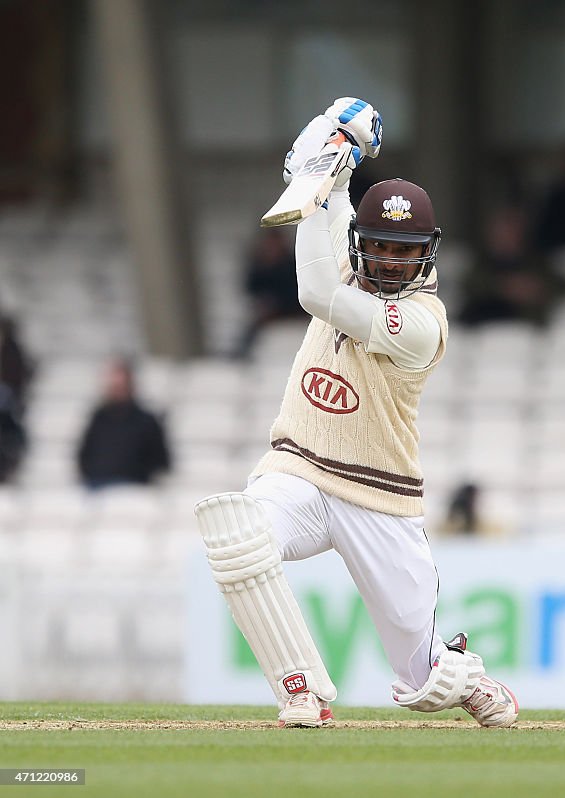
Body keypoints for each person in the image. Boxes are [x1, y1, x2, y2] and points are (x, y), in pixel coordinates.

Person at [193, 97, 518, 730]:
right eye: (380, 248)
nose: (391, 262)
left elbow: (315, 292)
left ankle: (464, 677)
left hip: (380, 495)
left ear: (427, 252)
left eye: (405, 250)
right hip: (301, 468)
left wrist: (330, 167)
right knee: (238, 531)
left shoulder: (424, 323)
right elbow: (321, 233)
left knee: (425, 682)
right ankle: (301, 689)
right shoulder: (346, 265)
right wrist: (330, 162)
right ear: (361, 244)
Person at [77, 358, 171, 489]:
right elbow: (84, 455)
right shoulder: (98, 419)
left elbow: (161, 460)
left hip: (134, 487)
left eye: (121, 386)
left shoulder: (147, 421)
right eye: (114, 387)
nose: (117, 391)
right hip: (98, 486)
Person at [235, 228, 305, 357]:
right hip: (268, 311)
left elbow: (296, 292)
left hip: (294, 309)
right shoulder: (259, 265)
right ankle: (242, 356)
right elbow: (251, 289)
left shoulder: (291, 265)